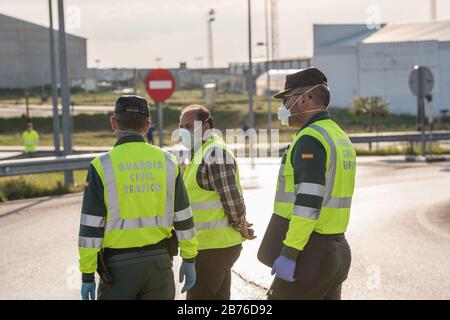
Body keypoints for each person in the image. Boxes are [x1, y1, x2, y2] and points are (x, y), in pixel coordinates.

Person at [78, 95, 198, 300]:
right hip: (159, 266)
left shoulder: (101, 166)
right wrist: (189, 258)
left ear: (114, 122)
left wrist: (87, 274)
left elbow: (91, 227)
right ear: (147, 126)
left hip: (117, 271)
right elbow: (184, 217)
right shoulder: (168, 162)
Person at [262, 68, 356, 300]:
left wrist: (290, 253)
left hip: (309, 252)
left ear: (303, 99)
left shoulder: (310, 139)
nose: (283, 107)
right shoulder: (339, 136)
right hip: (337, 250)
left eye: (286, 99)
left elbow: (308, 202)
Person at [178, 104, 256, 300]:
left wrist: (241, 225)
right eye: (181, 127)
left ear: (205, 126)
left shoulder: (214, 153)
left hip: (213, 248)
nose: (183, 132)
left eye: (189, 126)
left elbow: (231, 197)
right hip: (209, 246)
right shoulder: (201, 152)